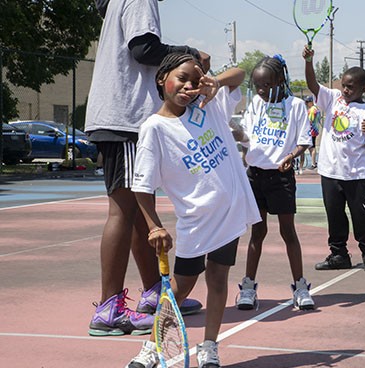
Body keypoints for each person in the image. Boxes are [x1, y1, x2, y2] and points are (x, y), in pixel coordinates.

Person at [126, 53, 260, 368]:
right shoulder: (155, 128)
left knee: (218, 278)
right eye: (182, 78)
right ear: (162, 79)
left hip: (229, 213)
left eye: (195, 81)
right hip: (196, 221)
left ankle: (210, 346)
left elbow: (241, 73)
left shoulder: (207, 105)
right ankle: (153, 346)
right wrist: (154, 226)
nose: (188, 86)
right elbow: (142, 187)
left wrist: (215, 82)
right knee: (180, 287)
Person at [85, 0, 204, 338]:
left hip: (124, 117)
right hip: (125, 118)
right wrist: (191, 53)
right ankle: (108, 308)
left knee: (140, 211)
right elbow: (144, 48)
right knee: (123, 210)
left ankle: (153, 292)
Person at [235, 54, 315, 311]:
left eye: (266, 85)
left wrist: (291, 156)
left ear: (280, 80)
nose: (261, 90)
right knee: (257, 232)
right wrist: (238, 134)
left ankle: (300, 286)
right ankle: (248, 287)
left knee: (287, 232)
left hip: (281, 177)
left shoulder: (296, 106)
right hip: (255, 175)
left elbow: (304, 140)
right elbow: (247, 137)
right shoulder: (256, 104)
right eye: (257, 85)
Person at [303, 45, 365, 272]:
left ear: (362, 87)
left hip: (357, 174)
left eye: (350, 87)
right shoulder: (332, 99)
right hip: (330, 172)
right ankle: (339, 254)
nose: (345, 90)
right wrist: (309, 61)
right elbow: (313, 85)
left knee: (361, 216)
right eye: (343, 85)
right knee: (335, 216)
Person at [301, 95, 321, 171]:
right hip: (314, 130)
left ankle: (313, 163)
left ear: (311, 102)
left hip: (311, 131)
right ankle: (313, 163)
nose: (306, 104)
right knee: (311, 147)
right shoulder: (315, 109)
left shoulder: (312, 110)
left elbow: (310, 120)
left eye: (307, 102)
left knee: (311, 147)